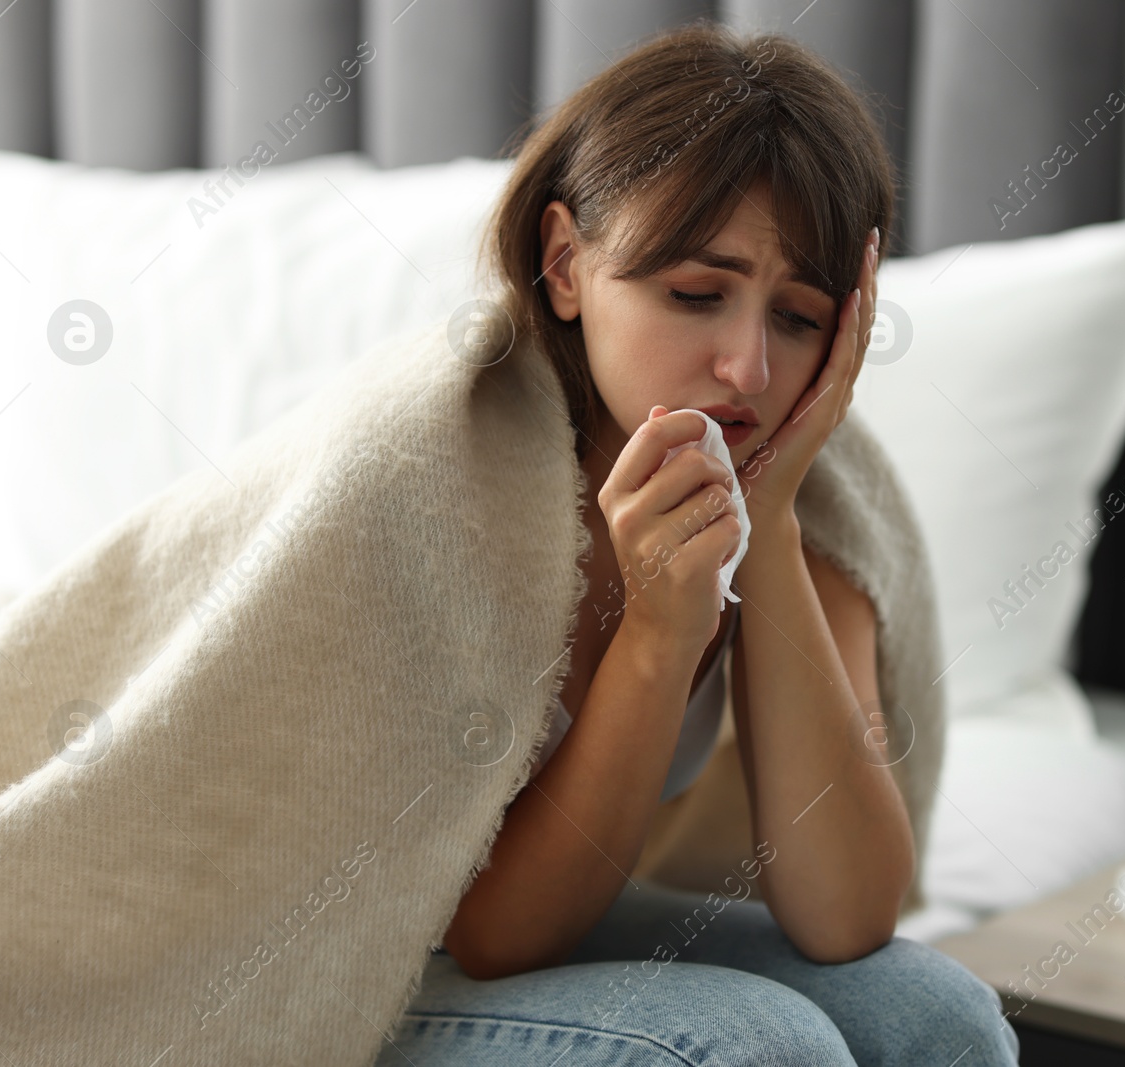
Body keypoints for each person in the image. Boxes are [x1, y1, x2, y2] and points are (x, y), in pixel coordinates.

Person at [375, 20, 1020, 1067]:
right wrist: (658, 633)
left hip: (510, 941)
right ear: (566, 262)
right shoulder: (440, 475)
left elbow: (846, 913)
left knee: (935, 1017)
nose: (749, 369)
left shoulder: (825, 492)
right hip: (341, 960)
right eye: (694, 295)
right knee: (756, 1047)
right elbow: (494, 936)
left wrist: (763, 526)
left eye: (800, 316)